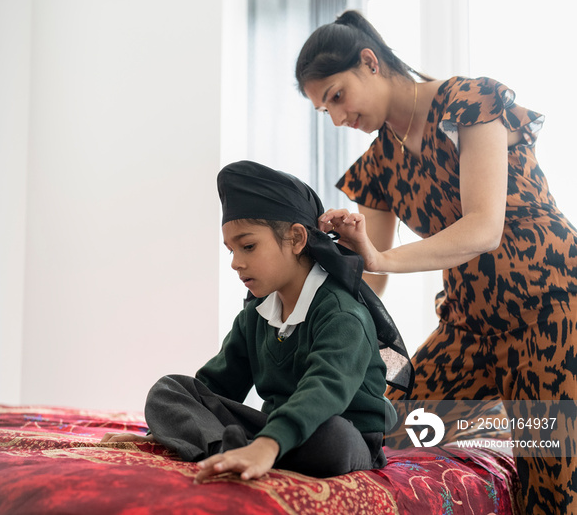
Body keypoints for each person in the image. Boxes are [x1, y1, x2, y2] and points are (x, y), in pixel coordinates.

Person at [295, 9, 576, 515]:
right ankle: (506, 420)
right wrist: (324, 274)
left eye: (337, 95)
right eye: (324, 110)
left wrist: (381, 256)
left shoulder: (470, 103)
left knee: (553, 492)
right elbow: (372, 276)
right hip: (469, 324)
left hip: (552, 309)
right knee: (381, 420)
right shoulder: (378, 164)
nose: (337, 118)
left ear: (369, 62)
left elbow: (483, 229)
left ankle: (526, 421)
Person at [102, 160, 413, 483]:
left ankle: (256, 448)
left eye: (248, 246)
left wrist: (268, 443)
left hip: (342, 433)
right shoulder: (256, 314)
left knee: (329, 435)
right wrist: (165, 433)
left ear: (296, 238)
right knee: (169, 390)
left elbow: (325, 389)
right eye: (231, 250)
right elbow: (215, 386)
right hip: (275, 428)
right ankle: (233, 450)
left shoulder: (343, 315)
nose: (237, 263)